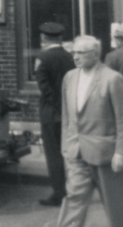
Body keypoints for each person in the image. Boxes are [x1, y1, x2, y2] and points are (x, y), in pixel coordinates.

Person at [58, 35, 123, 227]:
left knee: (115, 204)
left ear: (95, 54)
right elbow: (67, 115)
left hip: (105, 153)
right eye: (74, 52)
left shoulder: (112, 79)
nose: (75, 57)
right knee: (74, 198)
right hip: (76, 150)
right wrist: (66, 145)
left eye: (81, 53)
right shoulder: (69, 77)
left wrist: (121, 152)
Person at [34, 22, 75, 207]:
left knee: (54, 155)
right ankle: (73, 189)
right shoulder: (70, 57)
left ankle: (59, 194)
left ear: (43, 38)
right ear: (60, 38)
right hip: (70, 113)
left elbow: (46, 89)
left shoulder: (42, 57)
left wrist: (55, 109)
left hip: (51, 115)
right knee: (69, 153)